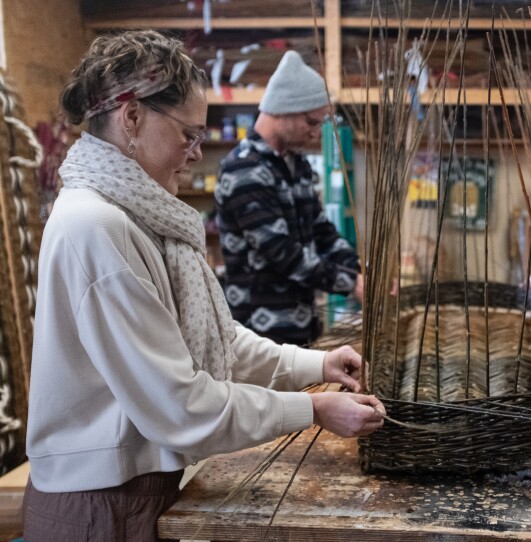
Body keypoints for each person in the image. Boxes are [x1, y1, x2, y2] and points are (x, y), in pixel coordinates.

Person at [24, 31, 384, 541]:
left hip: (140, 488)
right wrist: (311, 408)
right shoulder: (97, 226)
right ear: (132, 117)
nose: (195, 152)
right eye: (188, 134)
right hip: (102, 508)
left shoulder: (144, 216)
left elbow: (211, 340)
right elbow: (180, 406)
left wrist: (315, 365)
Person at [216, 50, 362, 347]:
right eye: (312, 122)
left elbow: (322, 232)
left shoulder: (297, 165)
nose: (316, 133)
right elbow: (283, 254)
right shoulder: (244, 169)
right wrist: (352, 283)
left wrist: (360, 270)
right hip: (258, 339)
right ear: (283, 111)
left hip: (299, 329)